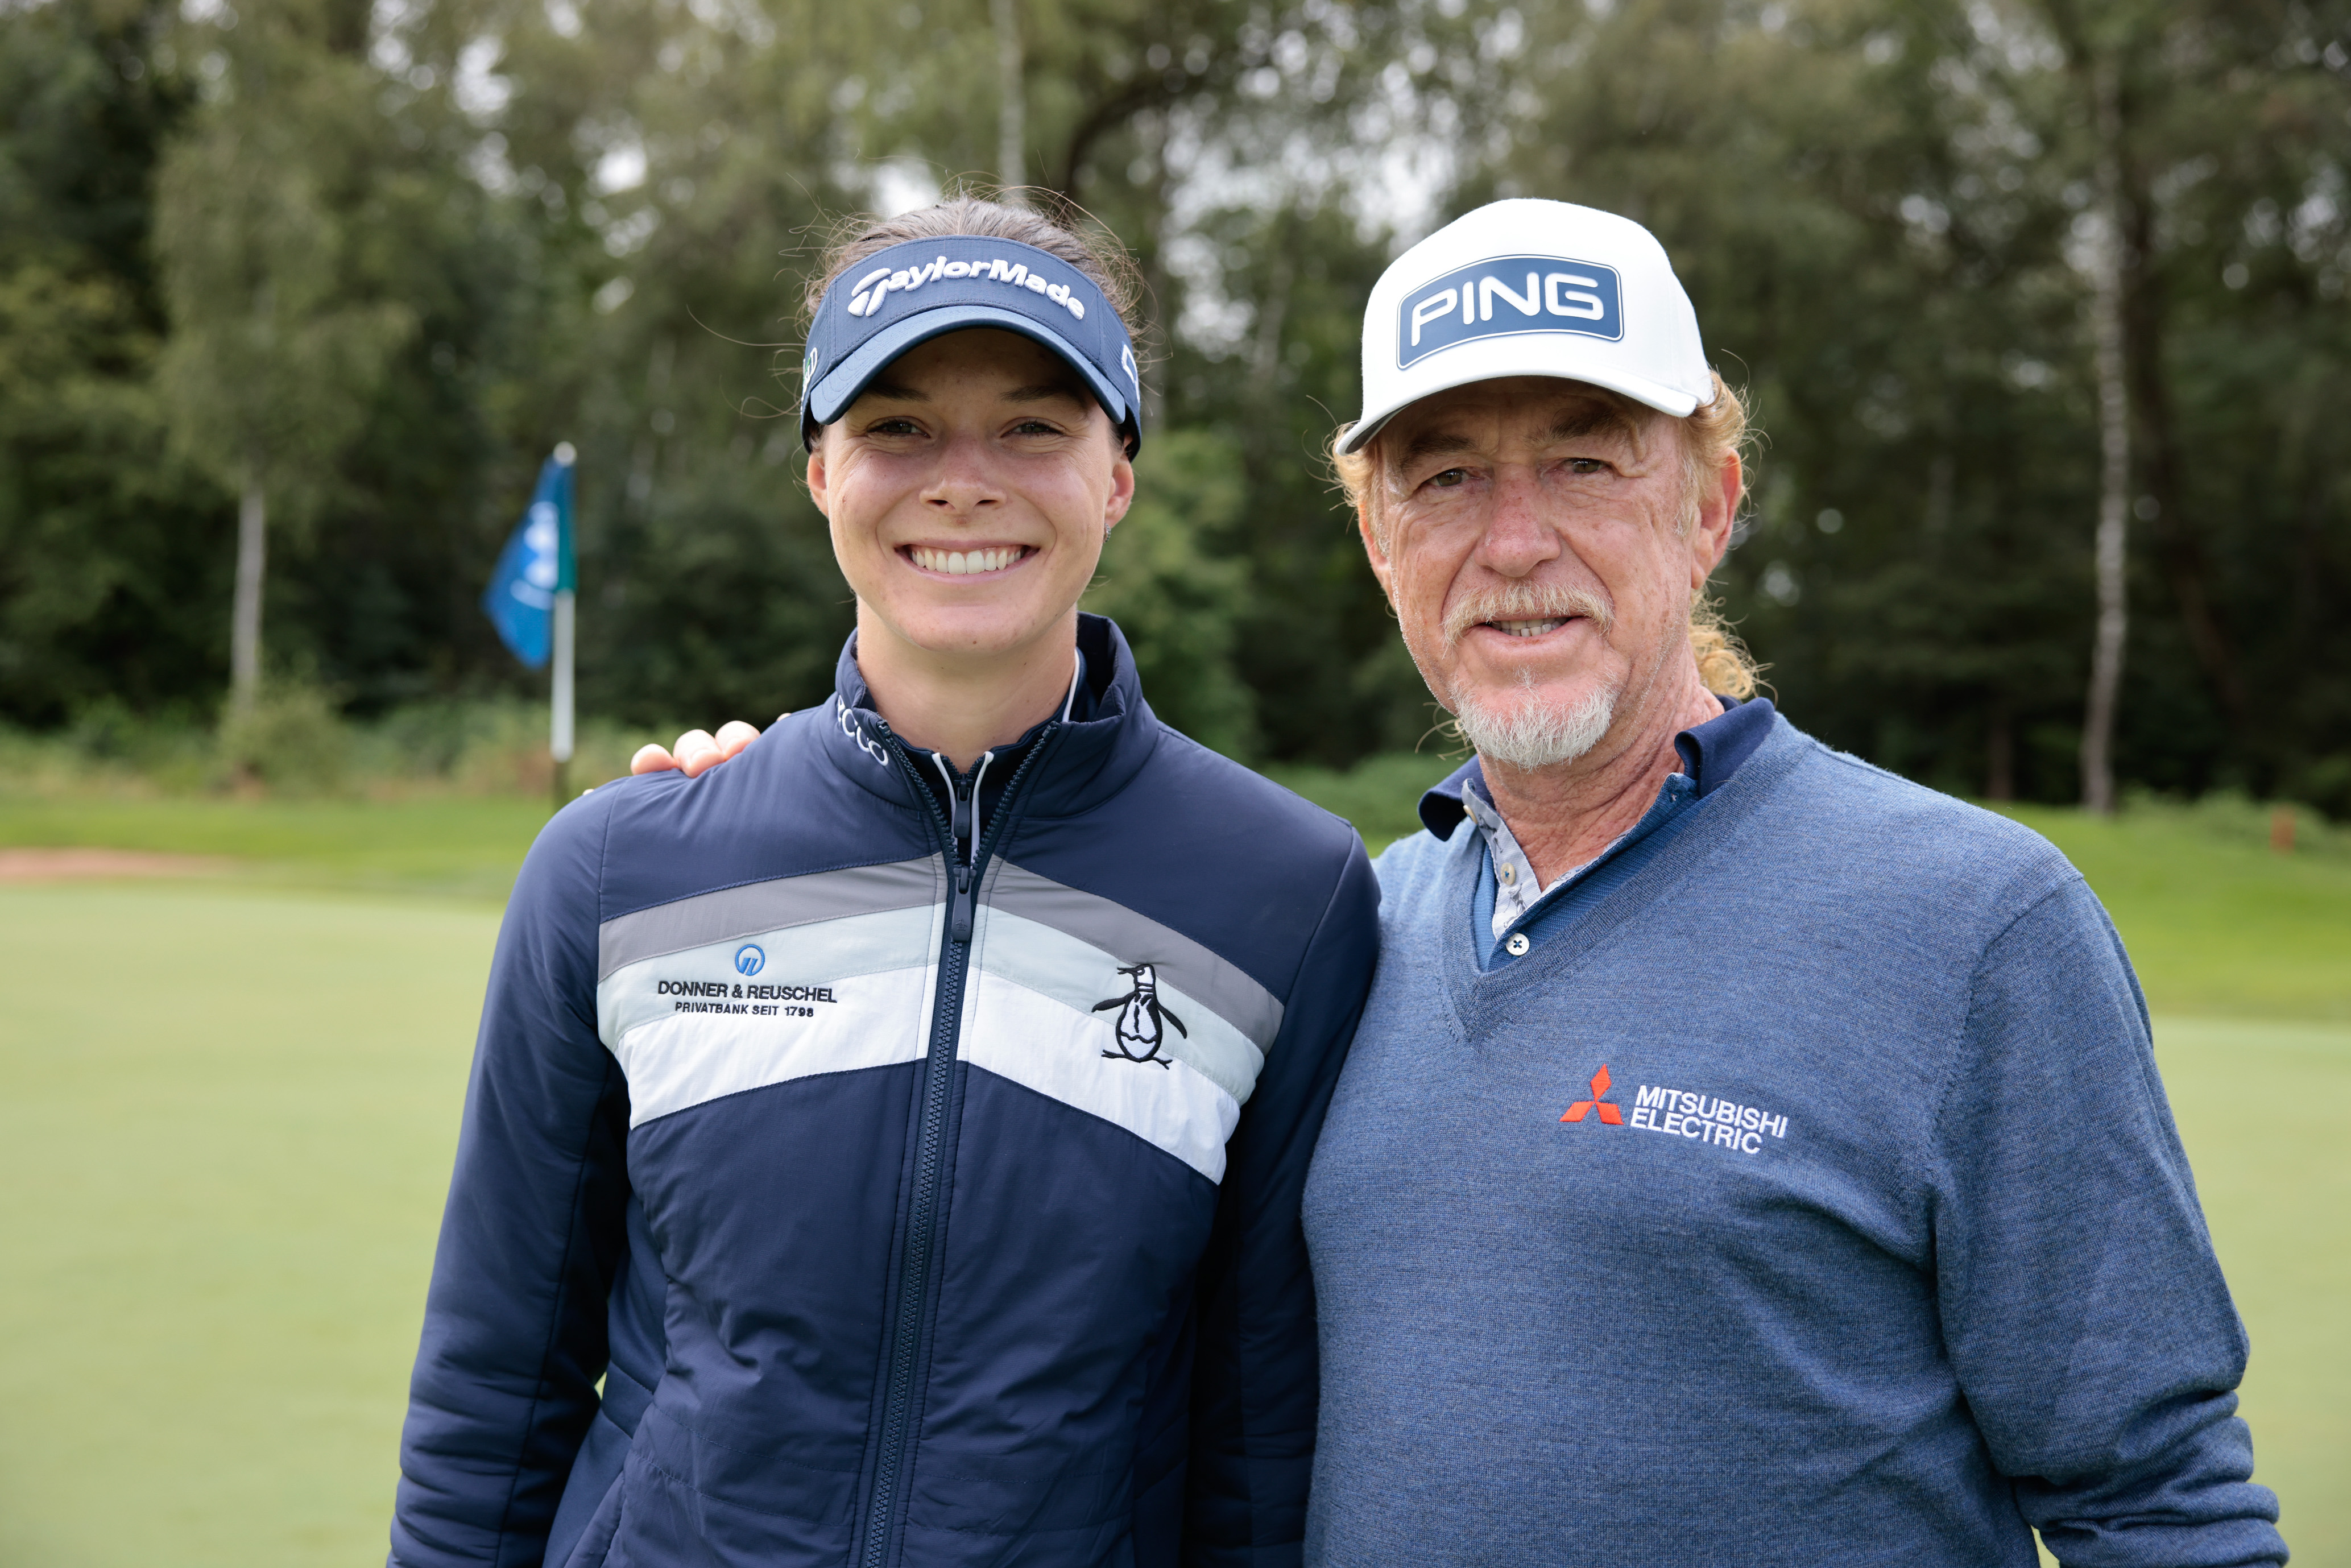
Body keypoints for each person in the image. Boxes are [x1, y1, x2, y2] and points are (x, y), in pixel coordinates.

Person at [672, 198, 2286, 1567]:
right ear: (1379, 539)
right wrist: (775, 818)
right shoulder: (1343, 932)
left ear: (1710, 505)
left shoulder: (1973, 924)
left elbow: (2159, 1501)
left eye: (1584, 461)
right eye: (1442, 477)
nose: (1513, 543)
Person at [388, 197, 1379, 1568]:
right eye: (898, 426)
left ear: (1118, 477)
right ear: (819, 472)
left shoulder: (1287, 893)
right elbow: (495, 1387)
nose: (962, 481)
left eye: (1033, 427)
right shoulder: (619, 868)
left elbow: (1254, 1443)